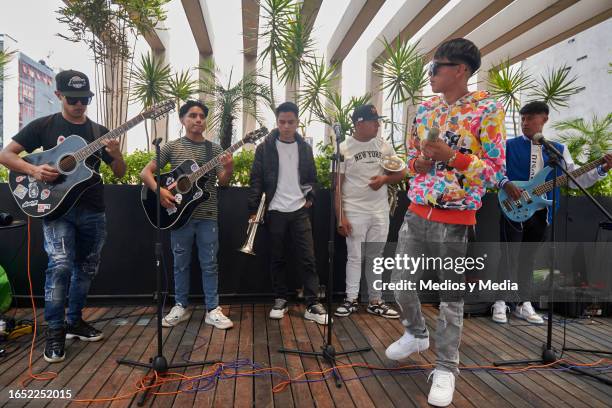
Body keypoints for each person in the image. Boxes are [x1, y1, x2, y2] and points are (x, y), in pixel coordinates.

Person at [384, 38, 506, 407]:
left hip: (456, 218)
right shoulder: (425, 108)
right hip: (416, 210)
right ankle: (416, 333)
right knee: (399, 284)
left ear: (461, 70)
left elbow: (496, 172)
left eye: (437, 66)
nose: (431, 73)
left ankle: (446, 368)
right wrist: (419, 164)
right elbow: (411, 156)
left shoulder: (487, 109)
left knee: (451, 299)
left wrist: (453, 157)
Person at [0, 70, 126, 363]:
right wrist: (33, 170)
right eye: (73, 99)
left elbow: (119, 173)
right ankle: (54, 331)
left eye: (85, 99)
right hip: (56, 210)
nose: (80, 104)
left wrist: (117, 154)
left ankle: (74, 321)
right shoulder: (43, 126)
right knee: (60, 266)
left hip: (93, 209)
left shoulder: (99, 133)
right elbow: (6, 155)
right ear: (59, 96)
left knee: (86, 268)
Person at [493, 101, 612, 324]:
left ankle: (523, 303)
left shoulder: (557, 149)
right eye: (523, 119)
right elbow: (494, 171)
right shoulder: (508, 146)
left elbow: (575, 181)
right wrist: (505, 183)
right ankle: (501, 301)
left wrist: (601, 169)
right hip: (513, 208)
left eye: (530, 118)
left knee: (528, 258)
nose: (525, 123)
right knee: (508, 256)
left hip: (541, 210)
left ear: (544, 119)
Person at [140, 100, 234, 330]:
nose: (198, 120)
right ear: (183, 120)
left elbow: (223, 181)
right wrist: (159, 190)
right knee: (180, 263)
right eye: (192, 115)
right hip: (178, 215)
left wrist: (229, 167)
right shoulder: (172, 147)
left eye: (202, 116)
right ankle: (180, 306)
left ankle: (213, 309)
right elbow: (146, 173)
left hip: (207, 214)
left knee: (209, 263)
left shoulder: (215, 150)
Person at [247, 101, 328, 325]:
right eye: (282, 122)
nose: (286, 126)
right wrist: (254, 209)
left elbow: (312, 178)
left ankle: (312, 303)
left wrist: (310, 198)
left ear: (297, 122)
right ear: (277, 122)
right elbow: (256, 180)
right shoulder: (265, 148)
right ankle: (280, 298)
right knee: (277, 258)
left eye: (290, 122)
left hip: (300, 210)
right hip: (274, 210)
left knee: (308, 258)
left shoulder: (305, 148)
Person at [334, 104, 404, 319]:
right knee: (355, 256)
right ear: (359, 123)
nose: (378, 125)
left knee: (376, 256)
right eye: (374, 121)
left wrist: (385, 178)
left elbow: (402, 173)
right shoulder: (343, 148)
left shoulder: (384, 146)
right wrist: (341, 217)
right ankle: (351, 299)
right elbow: (336, 186)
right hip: (354, 210)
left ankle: (376, 300)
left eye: (378, 121)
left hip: (380, 211)